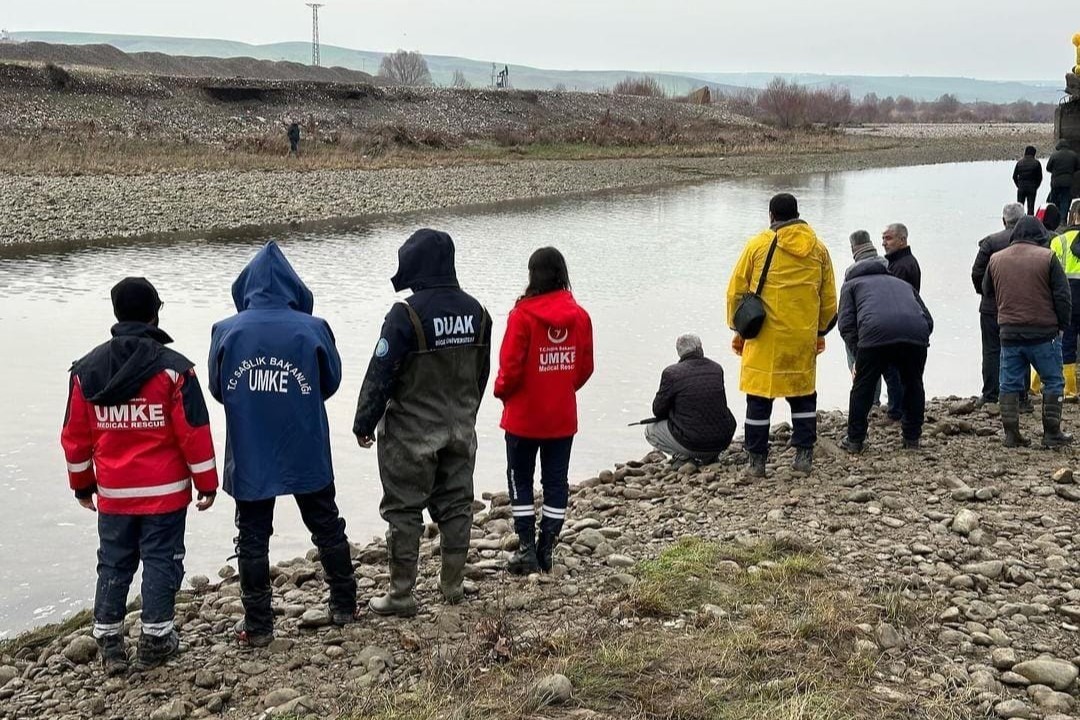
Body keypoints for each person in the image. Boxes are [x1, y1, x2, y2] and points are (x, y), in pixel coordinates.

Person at [62, 278, 218, 675]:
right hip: (165, 495)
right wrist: (207, 483)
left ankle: (110, 644)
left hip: (114, 495)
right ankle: (156, 640)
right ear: (155, 313)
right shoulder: (175, 369)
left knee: (113, 564)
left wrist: (82, 485)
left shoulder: (85, 371)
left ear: (116, 313)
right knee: (162, 562)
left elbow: (74, 437)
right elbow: (194, 431)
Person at [209, 242, 356, 647]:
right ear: (295, 287)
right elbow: (331, 382)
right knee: (326, 524)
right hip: (304, 444)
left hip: (251, 449)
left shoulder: (226, 331)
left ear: (246, 288)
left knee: (252, 535)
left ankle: (258, 626)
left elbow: (219, 389)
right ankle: (345, 604)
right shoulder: (313, 328)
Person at [353, 229, 491, 616]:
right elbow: (482, 374)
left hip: (410, 435)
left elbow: (381, 371)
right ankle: (452, 585)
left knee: (403, 510)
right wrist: (467, 416)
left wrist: (364, 420)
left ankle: (401, 594)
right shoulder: (478, 312)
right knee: (457, 507)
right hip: (461, 430)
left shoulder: (406, 315)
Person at [494, 247, 593, 575]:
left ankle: (525, 548)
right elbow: (585, 368)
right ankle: (545, 548)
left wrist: (501, 392)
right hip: (561, 416)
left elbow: (510, 368)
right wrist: (562, 387)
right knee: (556, 482)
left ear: (532, 275)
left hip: (523, 416)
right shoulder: (579, 316)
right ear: (562, 274)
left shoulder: (522, 315)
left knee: (519, 478)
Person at [726, 193, 837, 477]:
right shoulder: (819, 249)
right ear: (798, 213)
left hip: (764, 339)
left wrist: (736, 327)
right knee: (803, 399)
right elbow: (828, 299)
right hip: (801, 340)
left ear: (771, 216)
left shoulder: (758, 245)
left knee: (759, 401)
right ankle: (803, 457)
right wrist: (819, 331)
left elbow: (736, 291)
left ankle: (757, 462)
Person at [983, 215, 1073, 448]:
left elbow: (987, 292)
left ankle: (1012, 435)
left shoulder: (995, 259)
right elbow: (1063, 297)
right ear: (1040, 236)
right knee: (1053, 381)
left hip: (1009, 333)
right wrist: (1063, 325)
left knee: (1009, 384)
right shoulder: (1048, 257)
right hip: (1044, 333)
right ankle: (1052, 433)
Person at [838, 260, 934, 452]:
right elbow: (927, 319)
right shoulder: (902, 284)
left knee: (863, 388)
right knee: (913, 384)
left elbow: (846, 324)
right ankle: (912, 438)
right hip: (915, 334)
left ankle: (855, 440)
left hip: (875, 335)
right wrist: (918, 338)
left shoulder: (850, 285)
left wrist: (859, 354)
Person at [644, 333, 735, 465]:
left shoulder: (671, 373)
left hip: (693, 443)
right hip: (722, 440)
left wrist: (672, 411)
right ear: (700, 348)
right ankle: (711, 456)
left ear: (679, 352)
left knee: (650, 430)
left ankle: (683, 457)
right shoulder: (716, 368)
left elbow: (658, 410)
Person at [972, 202, 1027, 406]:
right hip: (1022, 306)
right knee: (1022, 349)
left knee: (991, 350)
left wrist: (987, 293)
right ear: (1024, 219)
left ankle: (991, 394)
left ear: (1004, 220)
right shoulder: (1033, 243)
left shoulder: (990, 242)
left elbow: (977, 273)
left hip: (991, 307)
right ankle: (1021, 396)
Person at [880, 223, 921, 421]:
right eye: (883, 238)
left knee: (893, 370)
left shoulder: (903, 265)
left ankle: (897, 409)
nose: (883, 243)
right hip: (907, 325)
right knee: (900, 371)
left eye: (888, 238)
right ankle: (899, 407)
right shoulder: (901, 262)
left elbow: (894, 296)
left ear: (902, 240)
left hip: (898, 326)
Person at [844, 230, 887, 405]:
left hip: (864, 324)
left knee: (860, 363)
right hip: (886, 322)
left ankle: (871, 402)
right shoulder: (887, 263)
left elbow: (848, 309)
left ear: (853, 248)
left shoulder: (852, 272)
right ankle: (884, 403)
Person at [1046, 199, 1080, 398]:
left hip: (1068, 299)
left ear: (1072, 216)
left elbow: (1049, 273)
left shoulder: (1059, 241)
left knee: (1066, 343)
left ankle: (1070, 389)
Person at [1047, 141, 1078, 223]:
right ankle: (1062, 220)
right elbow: (1078, 167)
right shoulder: (1073, 155)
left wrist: (1055, 171)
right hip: (1067, 182)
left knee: (1053, 200)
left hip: (1056, 182)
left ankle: (1053, 219)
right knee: (1065, 200)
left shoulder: (1054, 155)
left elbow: (1048, 168)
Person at [1013, 145, 1043, 215]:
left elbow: (1014, 177)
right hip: (1032, 187)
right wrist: (1036, 186)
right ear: (1034, 154)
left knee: (1020, 207)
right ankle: (1030, 222)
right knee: (1031, 207)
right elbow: (1040, 177)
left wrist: (1018, 185)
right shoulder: (1037, 163)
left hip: (1021, 187)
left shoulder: (1019, 163)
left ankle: (1020, 221)